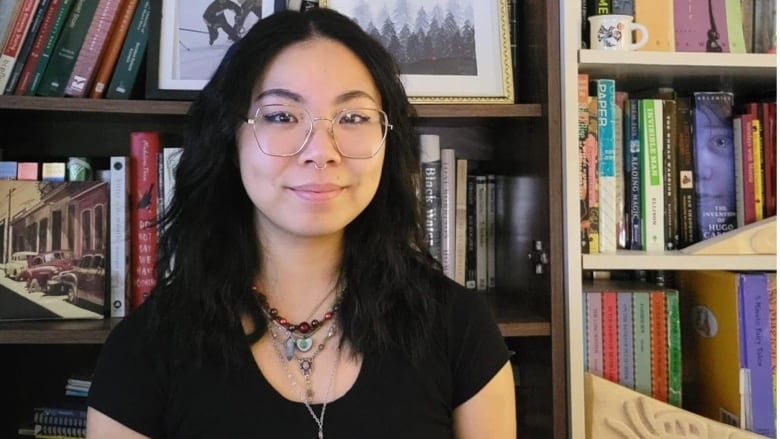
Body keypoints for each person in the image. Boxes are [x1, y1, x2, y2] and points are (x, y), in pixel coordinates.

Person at [86, 8, 515, 439]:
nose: (321, 151)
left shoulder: (460, 330)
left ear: (388, 142)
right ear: (229, 139)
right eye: (281, 116)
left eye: (352, 118)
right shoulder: (141, 352)